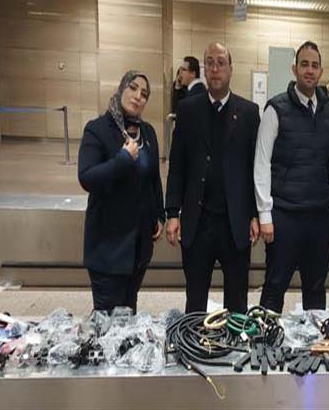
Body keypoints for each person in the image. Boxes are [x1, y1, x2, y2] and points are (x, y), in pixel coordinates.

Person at [165, 42, 261, 314]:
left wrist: (254, 214)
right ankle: (195, 340)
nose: (215, 68)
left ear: (231, 68)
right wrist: (172, 213)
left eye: (221, 62)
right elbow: (177, 165)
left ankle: (234, 342)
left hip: (235, 223)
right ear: (204, 69)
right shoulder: (188, 110)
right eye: (210, 63)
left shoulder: (249, 113)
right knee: (195, 302)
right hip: (198, 222)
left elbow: (254, 168)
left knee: (237, 304)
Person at [255, 41, 329, 313]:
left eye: (315, 65)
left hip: (319, 217)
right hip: (284, 215)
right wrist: (265, 214)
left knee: (315, 289)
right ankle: (266, 339)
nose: (309, 70)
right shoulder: (275, 109)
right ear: (294, 69)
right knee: (275, 286)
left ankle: (313, 339)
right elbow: (261, 163)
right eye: (304, 64)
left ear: (321, 71)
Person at [78, 70, 164, 313]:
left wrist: (159, 215)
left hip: (137, 250)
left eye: (144, 94)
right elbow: (87, 177)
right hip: (108, 249)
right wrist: (122, 159)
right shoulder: (97, 129)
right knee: (107, 320)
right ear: (121, 89)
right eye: (133, 88)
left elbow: (153, 179)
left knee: (129, 314)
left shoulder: (148, 132)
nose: (138, 96)